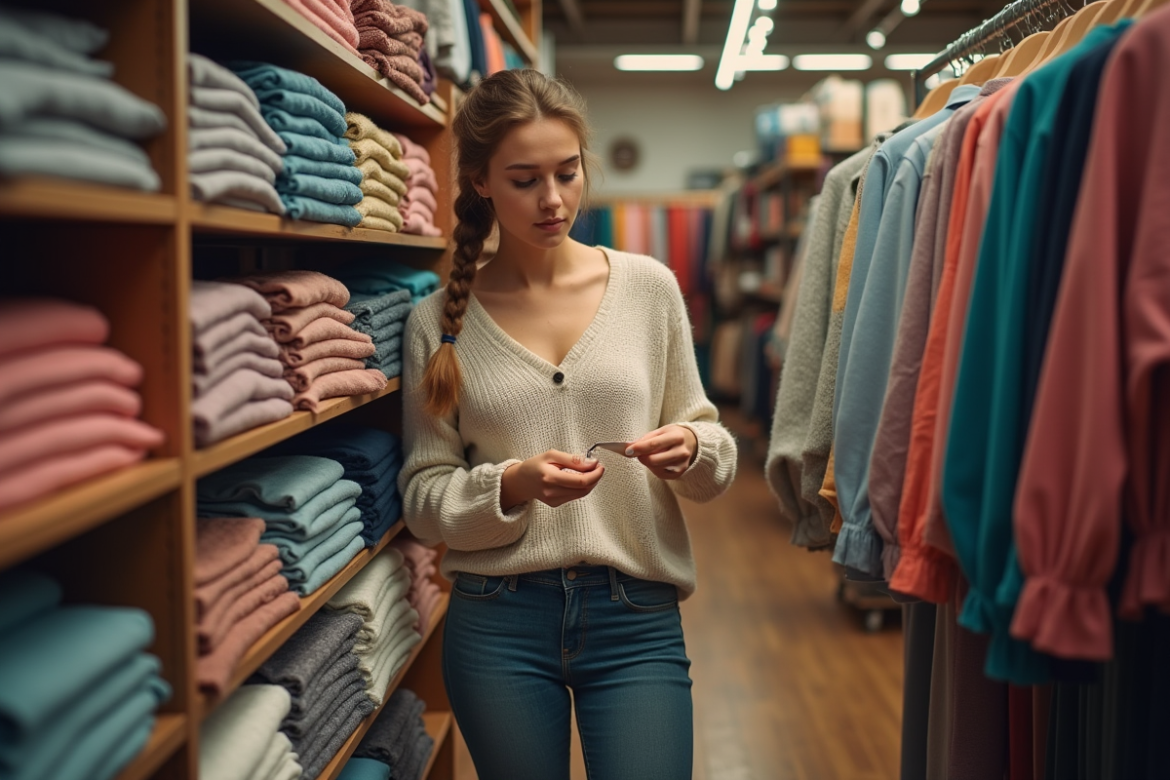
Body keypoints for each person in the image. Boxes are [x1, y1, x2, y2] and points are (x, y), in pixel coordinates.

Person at [399, 68, 737, 780]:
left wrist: (694, 448)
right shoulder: (435, 324)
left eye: (568, 172)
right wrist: (510, 486)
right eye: (524, 179)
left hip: (635, 613)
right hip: (497, 623)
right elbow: (423, 498)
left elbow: (713, 444)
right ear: (482, 181)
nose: (553, 200)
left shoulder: (648, 288)